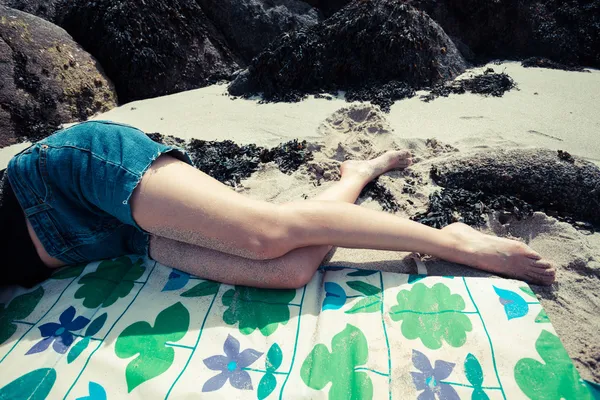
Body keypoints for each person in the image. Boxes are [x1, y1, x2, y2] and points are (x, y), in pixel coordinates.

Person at [1, 121, 556, 289]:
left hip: (64, 182)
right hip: (99, 241)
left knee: (262, 234)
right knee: (289, 269)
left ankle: (453, 239)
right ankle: (356, 175)